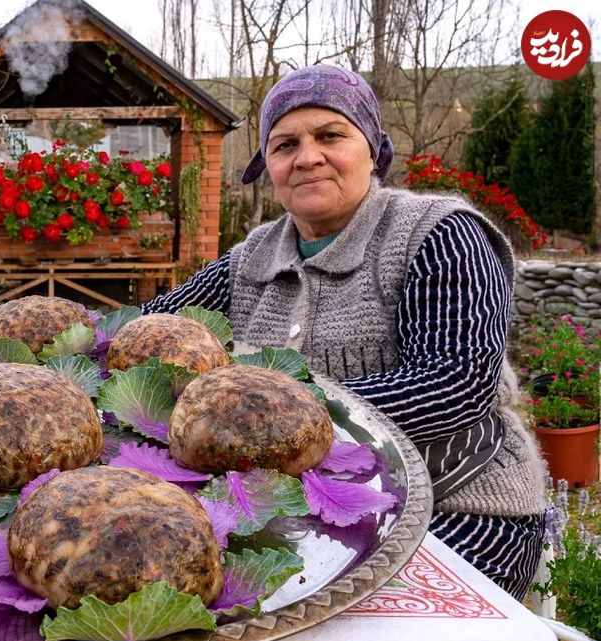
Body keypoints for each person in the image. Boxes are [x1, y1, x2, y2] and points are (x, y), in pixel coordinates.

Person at [145, 64, 548, 599]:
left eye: (331, 135)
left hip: (460, 501)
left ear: (372, 149)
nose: (308, 156)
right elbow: (149, 333)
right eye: (285, 144)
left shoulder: (438, 234)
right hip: (299, 516)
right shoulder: (253, 259)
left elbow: (455, 387)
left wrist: (268, 415)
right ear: (269, 164)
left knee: (355, 630)